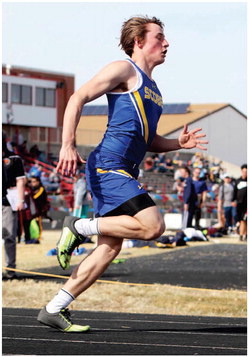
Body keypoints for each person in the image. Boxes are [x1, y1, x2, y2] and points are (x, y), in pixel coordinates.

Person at [37, 15, 208, 332]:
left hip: (124, 168)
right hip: (108, 166)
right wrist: (67, 144)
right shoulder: (123, 68)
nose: (166, 43)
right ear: (139, 42)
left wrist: (176, 144)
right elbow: (77, 98)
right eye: (159, 37)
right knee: (152, 226)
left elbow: (148, 139)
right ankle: (79, 226)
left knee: (110, 247)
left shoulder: (154, 89)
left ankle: (53, 308)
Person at [2, 132, 26, 279]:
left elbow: (21, 181)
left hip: (7, 202)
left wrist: (20, 200)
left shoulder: (14, 159)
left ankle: (10, 269)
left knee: (9, 235)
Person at [233, 164, 247, 241]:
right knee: (241, 220)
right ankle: (241, 235)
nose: (245, 173)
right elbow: (235, 192)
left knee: (245, 220)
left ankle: (245, 234)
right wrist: (233, 200)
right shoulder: (238, 181)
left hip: (246, 204)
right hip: (239, 203)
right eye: (243, 171)